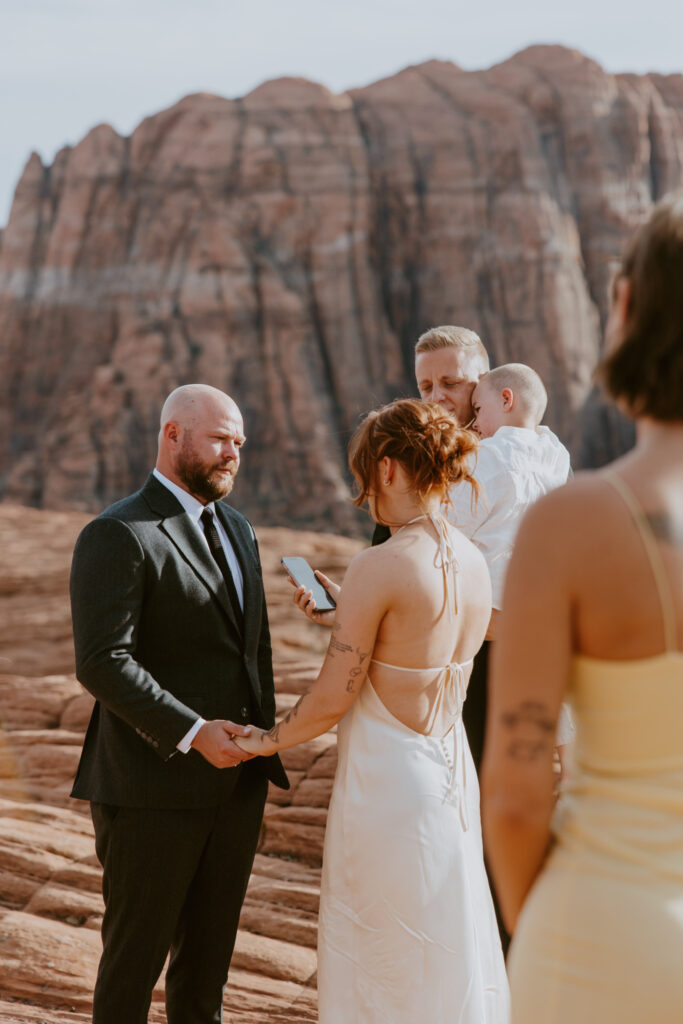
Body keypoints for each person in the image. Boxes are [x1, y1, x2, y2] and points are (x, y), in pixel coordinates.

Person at [237, 399, 510, 1023]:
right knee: (445, 939)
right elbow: (415, 645)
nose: (366, 493)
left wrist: (261, 741)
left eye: (365, 476)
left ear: (387, 468)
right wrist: (350, 613)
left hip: (387, 787)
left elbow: (332, 698)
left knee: (381, 947)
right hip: (449, 774)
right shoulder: (471, 561)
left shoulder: (379, 563)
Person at [482, 192, 683, 1023]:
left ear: (626, 307)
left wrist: (549, 935)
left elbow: (518, 789)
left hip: (608, 930)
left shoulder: (573, 522)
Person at [69, 384, 288, 1024]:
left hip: (237, 788)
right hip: (149, 789)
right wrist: (193, 732)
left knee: (205, 980)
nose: (232, 454)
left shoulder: (241, 529)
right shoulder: (118, 532)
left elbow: (250, 655)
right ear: (173, 435)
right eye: (220, 438)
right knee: (132, 972)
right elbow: (102, 661)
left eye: (239, 443)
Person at [375, 325, 492, 768]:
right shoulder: (403, 470)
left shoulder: (525, 464)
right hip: (420, 684)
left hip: (499, 672)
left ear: (483, 382)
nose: (436, 396)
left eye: (452, 383)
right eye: (425, 385)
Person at [451, 363, 573, 759]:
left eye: (479, 410)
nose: (475, 422)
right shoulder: (555, 453)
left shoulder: (485, 455)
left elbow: (451, 527)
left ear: (506, 400)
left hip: (489, 608)